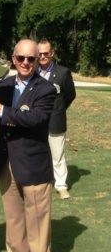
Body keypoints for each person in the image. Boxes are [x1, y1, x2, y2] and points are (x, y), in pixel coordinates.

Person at [0, 39, 56, 252]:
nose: (25, 63)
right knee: (13, 215)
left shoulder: (46, 89)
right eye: (20, 58)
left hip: (33, 163)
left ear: (38, 60)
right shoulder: (2, 85)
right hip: (5, 161)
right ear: (13, 59)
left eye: (31, 59)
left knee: (37, 215)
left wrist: (2, 111)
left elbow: (36, 119)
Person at [37, 38, 76, 199]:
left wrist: (59, 109)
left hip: (56, 120)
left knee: (57, 155)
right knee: (38, 153)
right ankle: (40, 182)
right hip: (36, 121)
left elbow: (70, 95)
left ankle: (61, 185)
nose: (43, 57)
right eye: (40, 54)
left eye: (46, 53)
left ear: (52, 53)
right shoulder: (32, 71)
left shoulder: (63, 72)